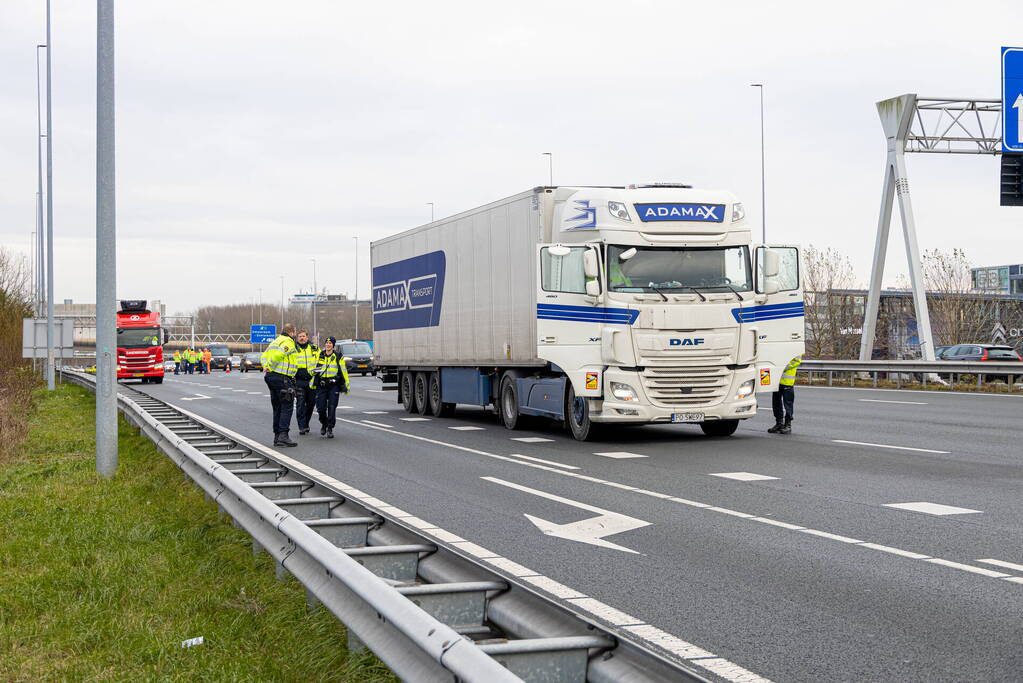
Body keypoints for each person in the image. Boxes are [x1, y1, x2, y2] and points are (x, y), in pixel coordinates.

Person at [262, 323, 299, 447]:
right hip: (282, 377)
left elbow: (264, 356)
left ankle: (277, 436)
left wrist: (266, 367)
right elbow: (279, 355)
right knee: (287, 406)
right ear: (292, 332)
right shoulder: (288, 341)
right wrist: (271, 367)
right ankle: (283, 435)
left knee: (277, 406)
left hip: (271, 378)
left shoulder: (274, 342)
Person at [310, 336, 349, 438]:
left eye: (330, 343)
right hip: (322, 385)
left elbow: (343, 371)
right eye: (327, 343)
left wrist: (346, 385)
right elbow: (315, 369)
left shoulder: (338, 356)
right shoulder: (320, 355)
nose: (328, 345)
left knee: (332, 407)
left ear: (333, 345)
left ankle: (330, 428)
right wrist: (312, 382)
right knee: (320, 408)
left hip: (333, 385)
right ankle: (324, 423)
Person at [292, 329, 320, 435]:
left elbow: (320, 362)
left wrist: (316, 376)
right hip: (298, 381)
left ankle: (306, 423)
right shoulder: (293, 349)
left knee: (311, 404)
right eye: (300, 336)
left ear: (307, 337)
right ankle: (301, 426)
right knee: (300, 404)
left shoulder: (314, 348)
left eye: (303, 336)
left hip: (311, 381)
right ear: (297, 338)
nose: (302, 338)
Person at [768, 355, 802, 435]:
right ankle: (779, 423)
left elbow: (797, 361)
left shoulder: (795, 345)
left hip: (787, 382)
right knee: (776, 402)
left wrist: (783, 368)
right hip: (776, 380)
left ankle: (788, 425)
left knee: (788, 404)